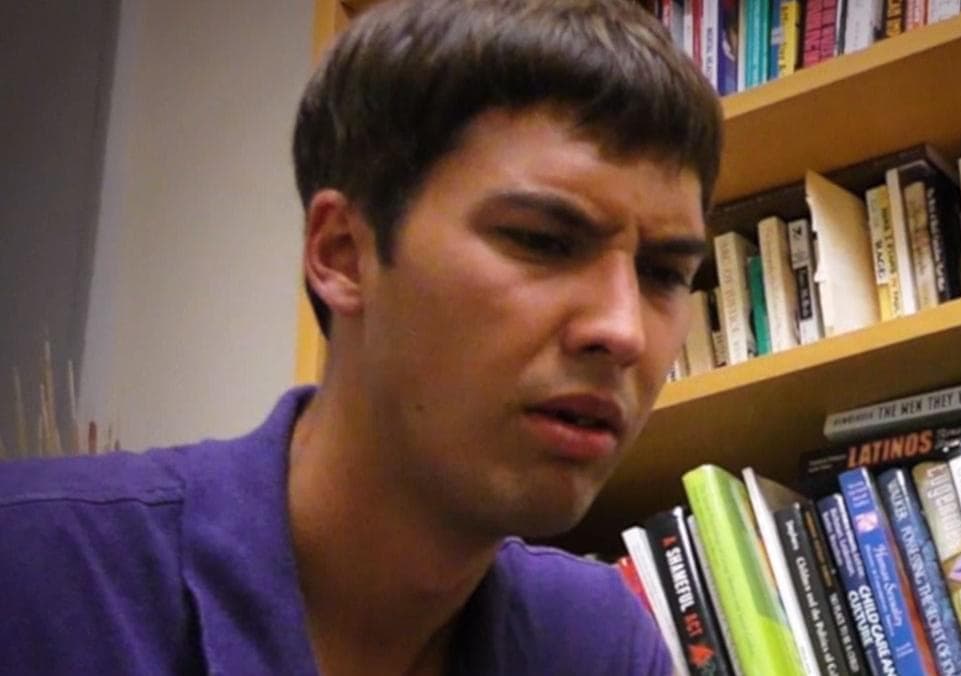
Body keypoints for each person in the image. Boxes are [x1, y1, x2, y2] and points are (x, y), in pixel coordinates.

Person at [0, 0, 721, 673]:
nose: (623, 330)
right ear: (343, 254)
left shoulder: (598, 644)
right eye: (541, 241)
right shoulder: (32, 570)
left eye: (663, 274)